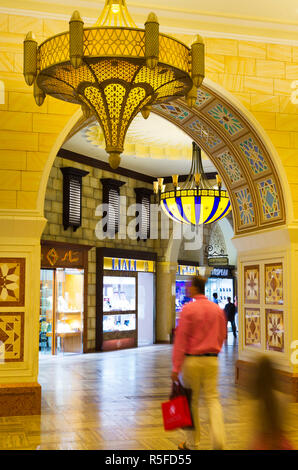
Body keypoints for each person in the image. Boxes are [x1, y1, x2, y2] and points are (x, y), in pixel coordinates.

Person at [171, 275, 227, 450]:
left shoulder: (188, 309)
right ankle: (219, 442)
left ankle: (191, 443)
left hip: (192, 361)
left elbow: (181, 340)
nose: (188, 289)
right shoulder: (217, 309)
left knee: (192, 401)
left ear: (195, 288)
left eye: (189, 286)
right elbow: (222, 334)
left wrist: (176, 366)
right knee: (212, 399)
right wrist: (214, 349)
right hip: (212, 360)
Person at [250, 355, 294, 450]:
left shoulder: (257, 402)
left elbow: (255, 430)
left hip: (261, 444)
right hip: (281, 443)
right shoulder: (285, 398)